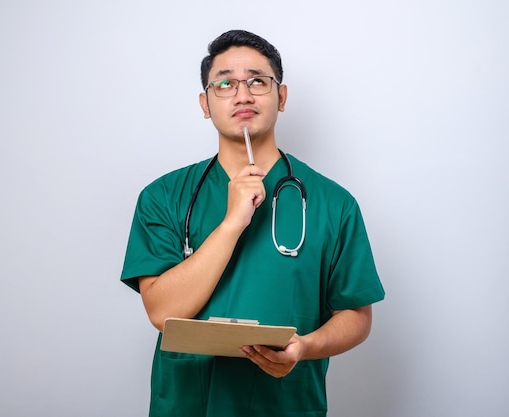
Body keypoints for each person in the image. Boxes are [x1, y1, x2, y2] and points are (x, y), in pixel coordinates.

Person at [121, 29, 385, 417]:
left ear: (281, 97)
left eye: (258, 81)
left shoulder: (333, 203)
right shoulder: (162, 197)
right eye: (225, 83)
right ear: (205, 103)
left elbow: (357, 316)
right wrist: (231, 223)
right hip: (188, 404)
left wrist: (305, 348)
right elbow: (162, 312)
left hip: (284, 403)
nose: (242, 95)